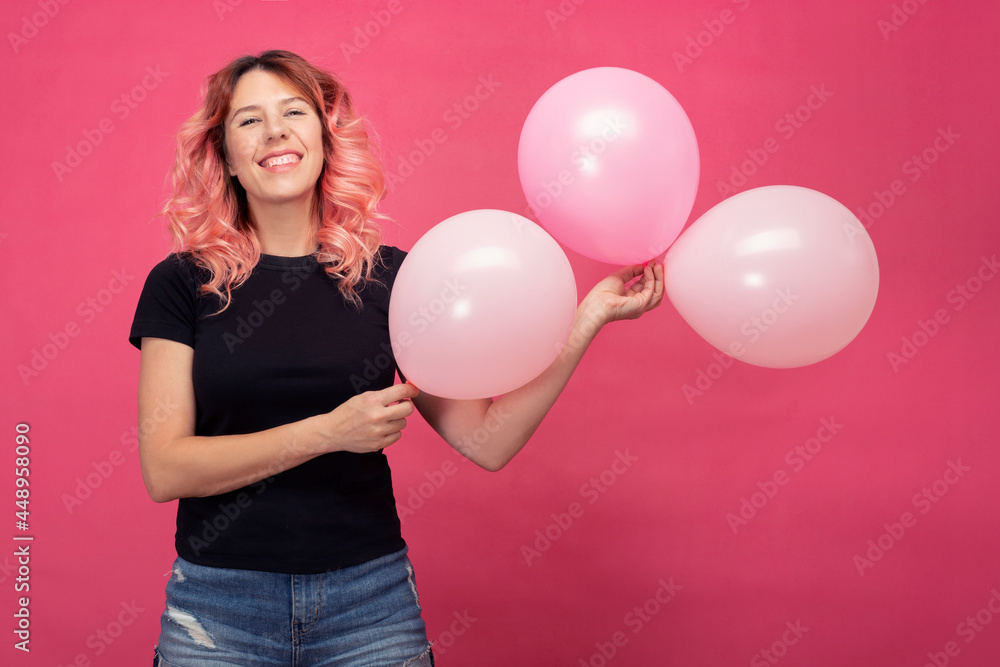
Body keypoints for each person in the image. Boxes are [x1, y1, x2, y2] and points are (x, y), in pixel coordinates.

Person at [129, 49, 664, 667]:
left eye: (294, 112)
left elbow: (488, 440)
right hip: (218, 611)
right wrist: (330, 432)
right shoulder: (181, 284)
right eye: (249, 120)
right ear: (225, 154)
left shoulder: (391, 279)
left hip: (368, 605)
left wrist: (586, 321)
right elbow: (165, 468)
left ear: (325, 137)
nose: (274, 131)